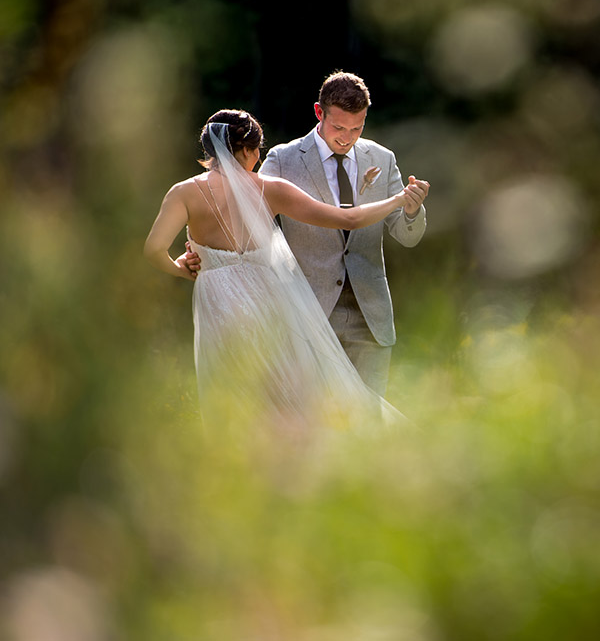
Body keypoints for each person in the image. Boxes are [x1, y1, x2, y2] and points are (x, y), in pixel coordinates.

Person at [144, 109, 427, 434]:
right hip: (267, 301)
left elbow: (153, 250)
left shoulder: (183, 193)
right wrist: (397, 200)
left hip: (217, 304)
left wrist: (180, 268)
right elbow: (347, 219)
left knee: (233, 394)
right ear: (250, 150)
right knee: (285, 392)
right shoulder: (270, 188)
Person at [184, 72, 429, 397]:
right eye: (339, 127)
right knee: (316, 425)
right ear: (319, 112)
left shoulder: (382, 158)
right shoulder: (283, 159)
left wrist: (411, 210)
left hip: (371, 318)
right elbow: (247, 219)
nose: (347, 137)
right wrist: (207, 250)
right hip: (306, 316)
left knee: (371, 425)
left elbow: (407, 234)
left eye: (357, 128)